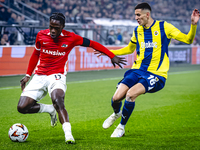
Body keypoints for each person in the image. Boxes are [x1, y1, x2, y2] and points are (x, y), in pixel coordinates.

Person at [17, 12, 126, 144]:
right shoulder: (41, 35)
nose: (52, 30)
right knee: (22, 108)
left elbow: (93, 44)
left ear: (62, 26)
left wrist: (111, 55)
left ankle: (68, 135)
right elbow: (35, 54)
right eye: (51, 26)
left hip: (57, 75)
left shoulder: (71, 37)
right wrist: (28, 75)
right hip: (39, 75)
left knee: (58, 100)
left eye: (56, 28)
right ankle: (50, 109)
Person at [95, 2, 200, 137]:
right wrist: (108, 52)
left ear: (147, 14)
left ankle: (121, 127)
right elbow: (129, 49)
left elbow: (188, 39)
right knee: (116, 98)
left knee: (130, 95)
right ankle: (116, 113)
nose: (136, 18)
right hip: (137, 70)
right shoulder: (137, 30)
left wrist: (193, 24)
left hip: (156, 73)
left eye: (138, 15)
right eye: (135, 15)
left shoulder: (164, 27)